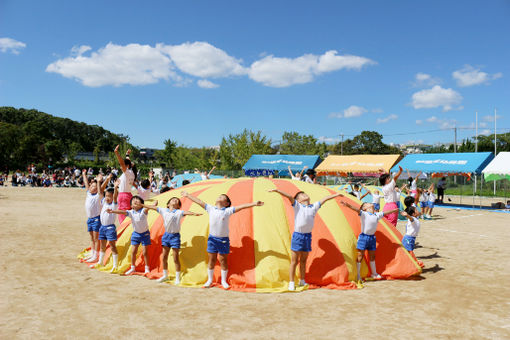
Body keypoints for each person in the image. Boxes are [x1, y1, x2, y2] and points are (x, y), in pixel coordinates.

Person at [181, 191, 264, 289]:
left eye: (223, 197)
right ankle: (210, 280)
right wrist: (187, 195)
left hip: (223, 240)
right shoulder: (211, 209)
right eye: (219, 196)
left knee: (223, 260)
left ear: (227, 203)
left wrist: (254, 203)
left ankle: (223, 281)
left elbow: (242, 206)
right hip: (212, 239)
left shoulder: (227, 211)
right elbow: (199, 201)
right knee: (212, 259)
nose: (220, 197)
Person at [268, 188, 343, 291]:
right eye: (302, 195)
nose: (305, 195)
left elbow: (325, 199)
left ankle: (302, 280)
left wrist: (336, 195)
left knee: (303, 260)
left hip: (307, 236)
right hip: (298, 236)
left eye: (305, 193)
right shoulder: (298, 206)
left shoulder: (313, 206)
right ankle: (291, 282)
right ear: (298, 200)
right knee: (294, 261)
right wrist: (277, 191)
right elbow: (289, 197)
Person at [144, 197, 202, 284]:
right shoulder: (164, 210)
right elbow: (153, 207)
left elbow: (186, 212)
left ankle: (177, 277)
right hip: (166, 236)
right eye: (173, 199)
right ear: (168, 204)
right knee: (164, 257)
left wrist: (194, 214)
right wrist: (142, 205)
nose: (175, 200)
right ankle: (165, 275)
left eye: (177, 201)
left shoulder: (179, 212)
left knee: (175, 258)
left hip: (175, 236)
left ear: (178, 206)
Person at [340, 201, 399, 284]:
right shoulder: (364, 214)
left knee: (372, 256)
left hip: (372, 238)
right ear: (364, 208)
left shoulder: (376, 215)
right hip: (363, 237)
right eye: (366, 204)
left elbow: (384, 212)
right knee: (360, 255)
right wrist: (348, 204)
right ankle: (358, 275)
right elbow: (356, 209)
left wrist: (394, 210)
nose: (369, 203)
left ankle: (374, 274)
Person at [107, 195, 151, 275]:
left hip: (145, 234)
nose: (135, 201)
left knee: (145, 252)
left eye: (137, 200)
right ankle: (132, 268)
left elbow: (150, 207)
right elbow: (122, 212)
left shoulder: (143, 211)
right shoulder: (131, 212)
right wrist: (113, 211)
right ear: (131, 206)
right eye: (134, 201)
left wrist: (143, 205)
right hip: (136, 234)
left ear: (142, 204)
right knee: (133, 251)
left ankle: (147, 268)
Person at [95, 176, 120, 272]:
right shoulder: (104, 202)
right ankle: (100, 262)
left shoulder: (114, 204)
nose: (107, 198)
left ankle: (115, 265)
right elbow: (100, 192)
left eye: (109, 196)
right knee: (102, 245)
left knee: (113, 246)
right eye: (106, 196)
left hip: (110, 228)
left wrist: (115, 187)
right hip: (102, 227)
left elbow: (114, 197)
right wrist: (99, 182)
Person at [83, 170, 103, 263]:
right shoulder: (88, 193)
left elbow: (100, 190)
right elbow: (86, 183)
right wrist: (84, 175)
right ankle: (92, 252)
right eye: (91, 186)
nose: (91, 187)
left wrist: (98, 182)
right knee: (92, 238)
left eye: (94, 186)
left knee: (96, 238)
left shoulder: (98, 196)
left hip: (96, 219)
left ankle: (96, 255)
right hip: (90, 219)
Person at [114, 145, 135, 223]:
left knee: (123, 220)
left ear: (127, 166)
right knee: (128, 217)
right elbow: (127, 162)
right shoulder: (131, 172)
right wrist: (127, 155)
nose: (121, 166)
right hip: (128, 195)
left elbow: (123, 163)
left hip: (123, 196)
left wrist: (117, 153)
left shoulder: (127, 172)